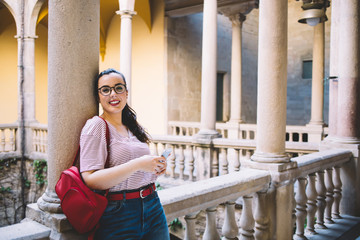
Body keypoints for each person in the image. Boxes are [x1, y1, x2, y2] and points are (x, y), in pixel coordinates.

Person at [79, 68, 170, 239]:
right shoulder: (96, 126)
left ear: (126, 93)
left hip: (152, 205)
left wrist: (154, 167)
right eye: (105, 90)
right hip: (119, 212)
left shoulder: (132, 126)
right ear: (98, 96)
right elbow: (90, 179)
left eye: (118, 88)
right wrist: (139, 164)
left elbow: (137, 168)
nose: (113, 94)